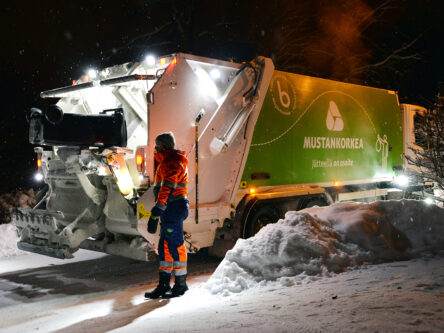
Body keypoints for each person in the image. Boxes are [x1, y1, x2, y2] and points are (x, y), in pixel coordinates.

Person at [145, 132, 190, 299]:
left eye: (157, 146)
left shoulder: (171, 163)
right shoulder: (167, 161)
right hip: (171, 208)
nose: (155, 149)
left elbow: (167, 190)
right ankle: (163, 285)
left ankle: (180, 284)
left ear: (163, 146)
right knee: (165, 246)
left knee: (175, 245)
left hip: (173, 208)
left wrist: (157, 211)